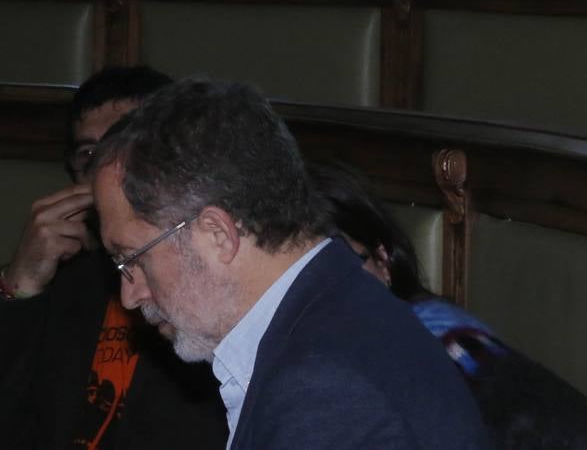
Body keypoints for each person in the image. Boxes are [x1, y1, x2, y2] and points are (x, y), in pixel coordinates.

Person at [88, 78, 490, 450]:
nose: (129, 294)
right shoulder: (336, 307)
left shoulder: (323, 391)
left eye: (132, 259)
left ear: (217, 235)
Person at [0, 66, 227, 450]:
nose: (105, 171)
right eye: (90, 153)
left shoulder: (209, 272)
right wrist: (21, 285)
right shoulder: (63, 272)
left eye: (126, 147)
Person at [310, 162, 587, 450]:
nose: (323, 288)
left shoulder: (439, 336)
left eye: (341, 263)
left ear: (383, 260)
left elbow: (567, 429)